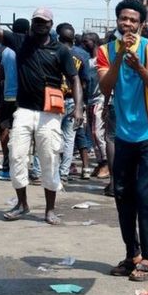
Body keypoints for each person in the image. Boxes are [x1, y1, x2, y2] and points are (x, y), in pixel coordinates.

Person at [0, 0, 82, 225]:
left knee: (49, 159)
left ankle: (49, 209)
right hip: (25, 111)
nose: (39, 24)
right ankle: (22, 204)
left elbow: (74, 79)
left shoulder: (61, 51)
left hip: (50, 114)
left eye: (44, 22)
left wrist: (79, 107)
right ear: (32, 24)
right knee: (17, 156)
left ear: (50, 25)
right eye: (36, 21)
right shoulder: (21, 42)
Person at [98, 0, 148, 283]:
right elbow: (105, 86)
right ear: (117, 21)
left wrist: (140, 68)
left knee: (144, 195)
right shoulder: (105, 51)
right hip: (125, 135)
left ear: (141, 23)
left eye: (132, 19)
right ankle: (133, 255)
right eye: (123, 18)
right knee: (122, 195)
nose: (127, 23)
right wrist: (119, 57)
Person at [0, 18, 29, 181]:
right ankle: (22, 167)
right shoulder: (28, 49)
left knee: (6, 129)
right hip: (25, 97)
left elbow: (1, 76)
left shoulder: (5, 51)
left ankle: (7, 165)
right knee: (26, 132)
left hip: (8, 95)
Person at [55, 23, 89, 181]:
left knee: (49, 136)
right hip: (73, 100)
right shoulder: (82, 55)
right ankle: (63, 173)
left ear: (58, 36)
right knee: (69, 139)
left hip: (53, 99)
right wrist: (80, 105)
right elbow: (84, 82)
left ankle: (41, 171)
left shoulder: (53, 50)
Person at [81, 32, 110, 180]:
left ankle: (106, 162)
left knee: (98, 133)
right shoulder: (89, 60)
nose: (83, 44)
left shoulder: (100, 59)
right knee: (92, 134)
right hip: (91, 100)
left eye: (86, 42)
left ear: (94, 42)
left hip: (100, 99)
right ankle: (100, 161)